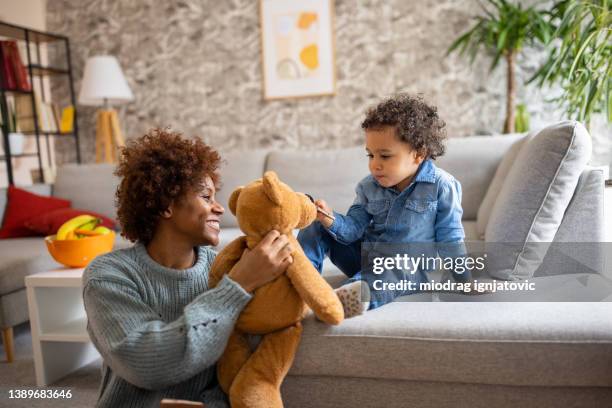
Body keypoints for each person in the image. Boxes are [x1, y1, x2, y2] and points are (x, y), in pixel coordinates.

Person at [83, 129, 294, 408]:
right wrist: (238, 284)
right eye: (206, 196)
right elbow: (145, 363)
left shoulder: (220, 268)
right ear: (166, 204)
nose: (219, 208)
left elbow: (236, 365)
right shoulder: (108, 275)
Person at [298, 94, 470, 317]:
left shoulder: (442, 186)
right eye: (370, 155)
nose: (374, 165)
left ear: (418, 154)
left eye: (385, 156)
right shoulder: (368, 187)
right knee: (316, 224)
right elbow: (352, 229)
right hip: (365, 258)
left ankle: (353, 296)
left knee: (393, 267)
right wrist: (328, 218)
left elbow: (450, 237)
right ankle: (301, 284)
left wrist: (465, 281)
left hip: (407, 269)